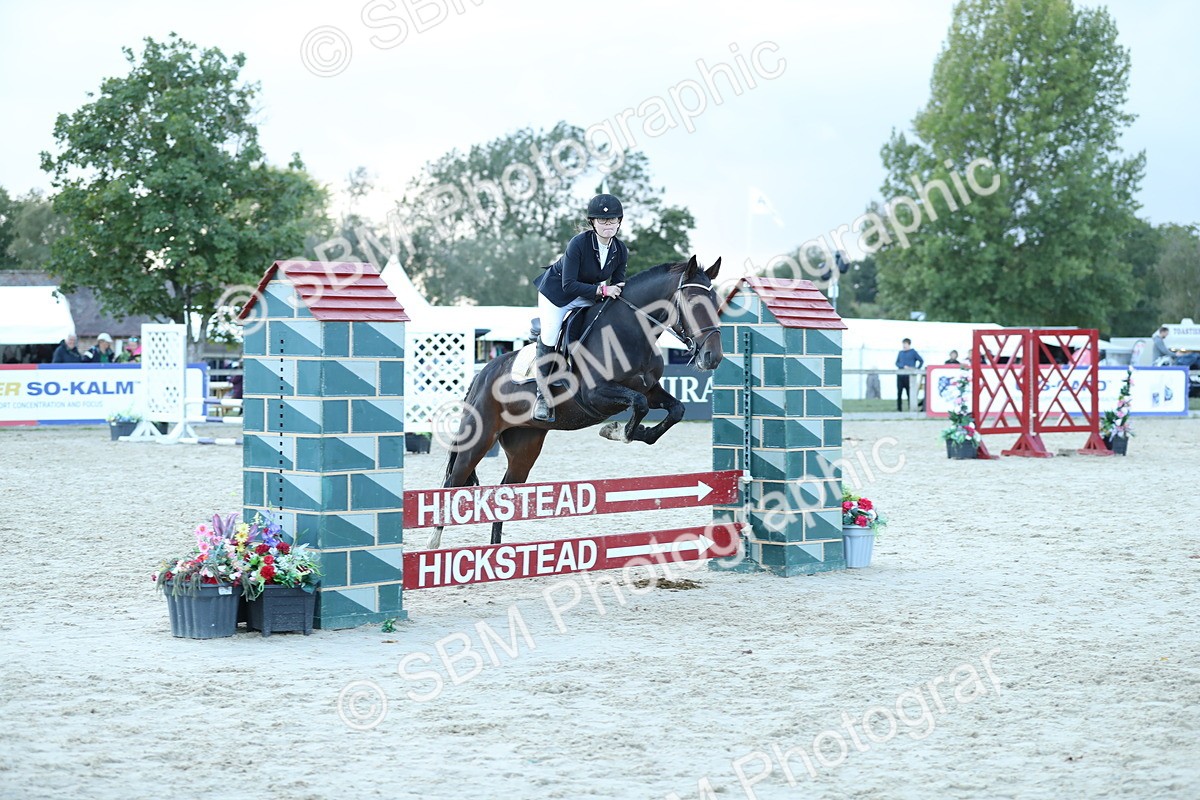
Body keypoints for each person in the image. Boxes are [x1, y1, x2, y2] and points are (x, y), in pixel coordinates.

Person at [530, 193, 628, 422]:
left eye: (612, 221)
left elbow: (619, 281)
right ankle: (542, 397)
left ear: (619, 222)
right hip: (557, 294)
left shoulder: (620, 249)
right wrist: (603, 291)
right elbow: (569, 284)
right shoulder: (579, 243)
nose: (608, 225)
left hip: (586, 294)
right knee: (551, 335)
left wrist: (618, 293)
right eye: (602, 221)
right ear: (592, 222)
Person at [895, 337, 924, 411]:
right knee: (899, 393)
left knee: (910, 393)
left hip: (909, 377)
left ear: (909, 344)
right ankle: (899, 409)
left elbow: (921, 361)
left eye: (905, 344)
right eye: (903, 344)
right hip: (900, 376)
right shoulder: (900, 353)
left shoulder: (913, 352)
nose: (904, 346)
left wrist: (916, 369)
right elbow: (897, 363)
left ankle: (911, 408)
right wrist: (903, 366)